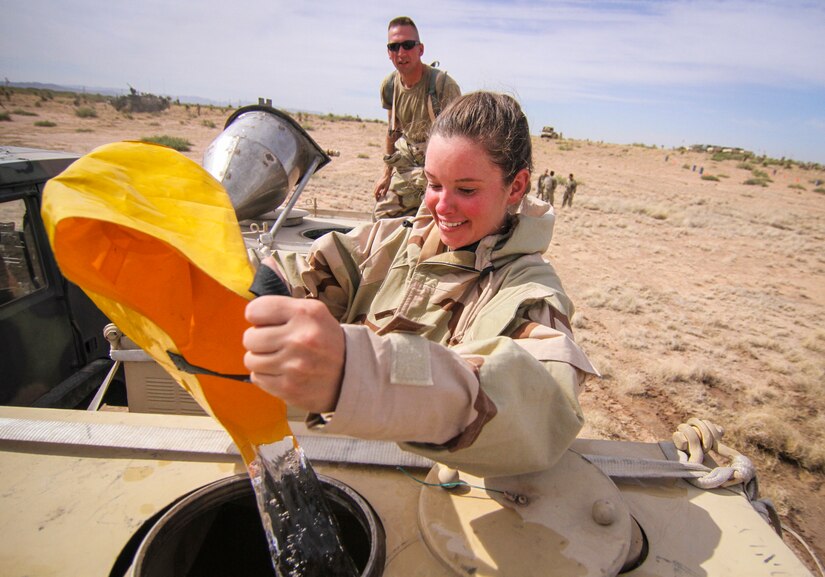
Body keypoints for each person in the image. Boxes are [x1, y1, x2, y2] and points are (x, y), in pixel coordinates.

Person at [244, 92, 595, 478]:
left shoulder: (527, 291)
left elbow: (540, 407)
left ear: (515, 187)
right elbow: (292, 273)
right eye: (434, 184)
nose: (441, 207)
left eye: (466, 190)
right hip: (340, 466)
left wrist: (364, 373)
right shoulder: (390, 242)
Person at [372, 16, 461, 221]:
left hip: (439, 165)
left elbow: (461, 139)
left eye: (408, 45)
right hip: (408, 162)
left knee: (435, 224)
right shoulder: (390, 85)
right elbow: (392, 131)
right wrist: (386, 174)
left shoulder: (442, 85)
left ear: (420, 50)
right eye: (394, 47)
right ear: (388, 53)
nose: (401, 53)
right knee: (381, 218)